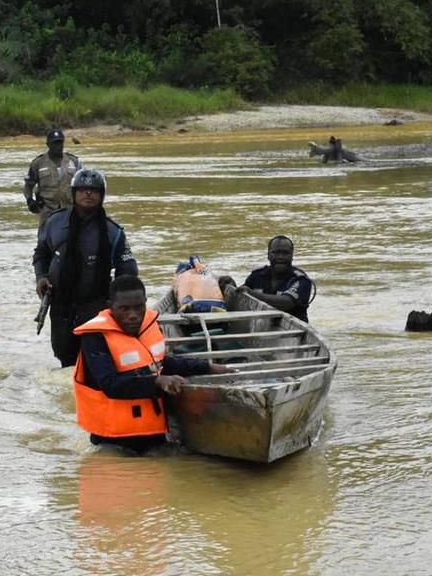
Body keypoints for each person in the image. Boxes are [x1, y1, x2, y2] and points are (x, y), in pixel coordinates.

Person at [73, 274, 234, 455]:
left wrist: (207, 367)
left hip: (153, 434)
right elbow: (111, 384)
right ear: (110, 306)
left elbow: (162, 362)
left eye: (138, 307)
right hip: (113, 439)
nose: (133, 316)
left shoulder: (149, 325)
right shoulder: (95, 337)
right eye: (124, 309)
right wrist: (157, 381)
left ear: (145, 303)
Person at [34, 168, 137, 367]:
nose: (87, 194)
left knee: (95, 359)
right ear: (74, 193)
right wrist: (41, 277)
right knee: (64, 357)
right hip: (60, 304)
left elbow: (128, 271)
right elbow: (41, 254)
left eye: (93, 190)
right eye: (82, 190)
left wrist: (118, 303)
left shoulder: (113, 232)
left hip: (96, 306)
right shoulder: (54, 222)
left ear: (102, 195)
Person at [218, 235, 315, 322]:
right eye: (275, 252)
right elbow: (243, 295)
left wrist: (252, 293)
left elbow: (286, 303)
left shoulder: (301, 280)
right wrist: (232, 287)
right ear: (268, 255)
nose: (280, 257)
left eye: (285, 253)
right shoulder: (257, 275)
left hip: (292, 330)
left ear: (292, 256)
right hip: (262, 324)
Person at [23, 127, 81, 229]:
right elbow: (28, 185)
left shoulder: (73, 161)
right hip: (47, 212)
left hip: (70, 211)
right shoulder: (38, 163)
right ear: (48, 144)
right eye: (55, 143)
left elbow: (81, 185)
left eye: (60, 142)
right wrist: (30, 200)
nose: (58, 146)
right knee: (44, 242)